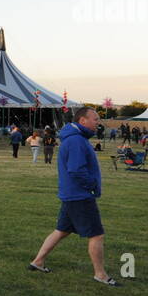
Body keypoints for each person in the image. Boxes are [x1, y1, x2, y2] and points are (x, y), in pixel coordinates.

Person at [28, 106, 121, 286]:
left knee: (61, 231)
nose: (98, 123)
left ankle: (37, 262)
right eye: (95, 119)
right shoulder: (77, 141)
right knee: (96, 234)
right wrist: (92, 185)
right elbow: (76, 170)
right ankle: (100, 274)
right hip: (79, 196)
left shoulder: (75, 139)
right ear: (82, 121)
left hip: (71, 194)